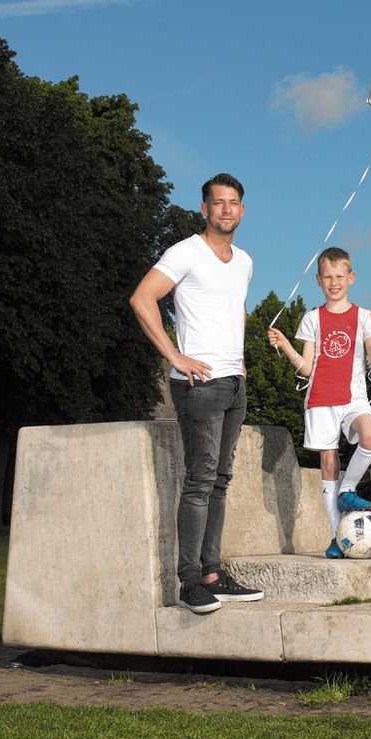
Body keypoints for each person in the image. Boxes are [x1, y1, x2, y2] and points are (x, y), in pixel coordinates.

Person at [129, 173, 264, 615]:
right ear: (204, 208)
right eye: (218, 202)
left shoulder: (244, 261)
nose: (226, 209)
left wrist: (239, 359)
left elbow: (236, 307)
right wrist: (174, 354)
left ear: (242, 210)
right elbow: (142, 298)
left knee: (220, 480)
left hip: (233, 381)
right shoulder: (185, 252)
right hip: (198, 383)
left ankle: (212, 574)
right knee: (200, 480)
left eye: (233, 202)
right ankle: (189, 581)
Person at [267, 247, 371, 558]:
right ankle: (337, 537)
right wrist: (285, 345)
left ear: (351, 277)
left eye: (340, 276)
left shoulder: (363, 317)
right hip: (320, 399)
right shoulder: (311, 318)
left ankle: (347, 490)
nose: (334, 283)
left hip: (353, 397)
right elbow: (307, 368)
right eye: (328, 277)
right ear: (318, 280)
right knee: (329, 463)